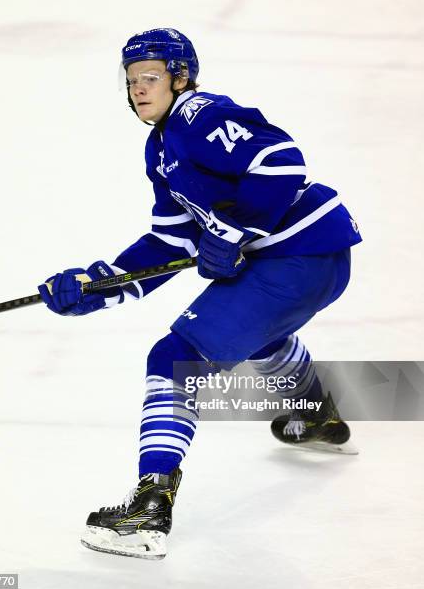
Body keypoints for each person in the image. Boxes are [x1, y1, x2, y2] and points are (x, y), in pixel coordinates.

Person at [38, 28, 362, 559]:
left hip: (295, 259)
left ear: (180, 77)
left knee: (175, 358)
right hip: (314, 259)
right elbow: (170, 241)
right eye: (131, 80)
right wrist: (99, 284)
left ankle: (149, 507)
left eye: (150, 77)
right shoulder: (161, 146)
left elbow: (281, 161)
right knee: (250, 336)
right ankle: (315, 412)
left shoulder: (197, 115)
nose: (139, 89)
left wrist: (234, 231)